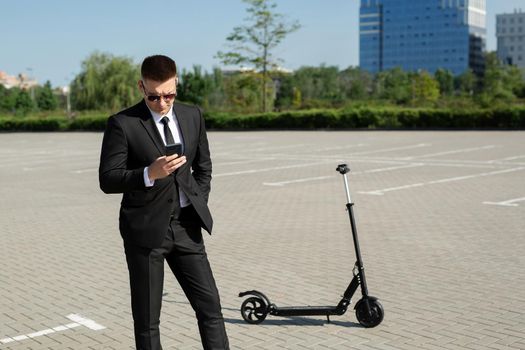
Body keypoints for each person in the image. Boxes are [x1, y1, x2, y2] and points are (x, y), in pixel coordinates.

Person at [99, 55, 229, 350]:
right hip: (146, 234)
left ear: (176, 84)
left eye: (168, 94)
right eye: (154, 96)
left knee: (210, 309)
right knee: (147, 323)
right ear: (141, 86)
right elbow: (108, 178)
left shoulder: (192, 115)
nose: (162, 102)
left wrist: (197, 201)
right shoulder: (123, 123)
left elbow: (203, 166)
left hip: (187, 227)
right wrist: (148, 173)